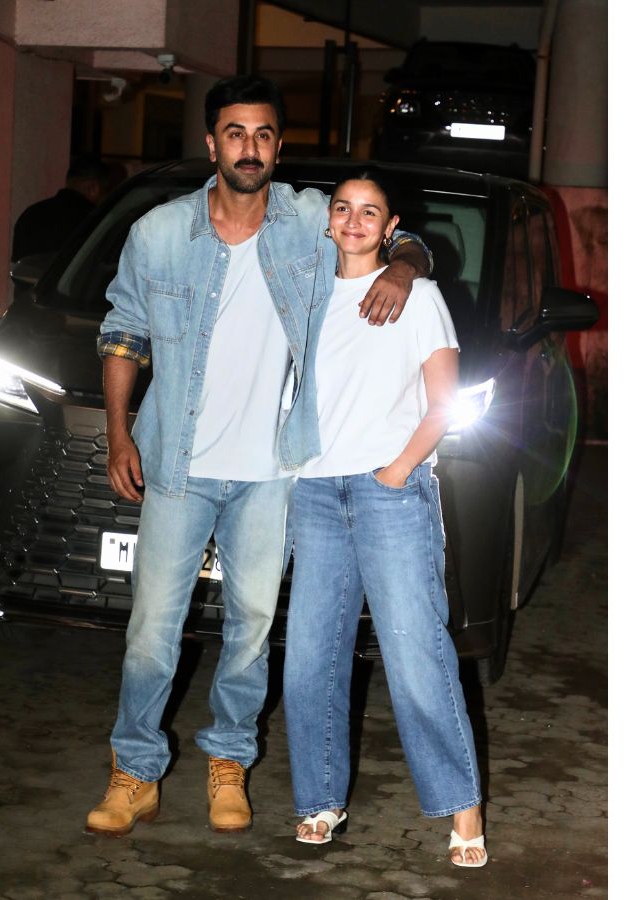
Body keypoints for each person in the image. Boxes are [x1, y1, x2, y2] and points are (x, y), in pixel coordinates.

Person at [85, 76, 433, 837]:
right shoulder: (159, 233)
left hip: (273, 472)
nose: (250, 148)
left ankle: (228, 764)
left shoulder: (309, 220)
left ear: (279, 146)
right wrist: (118, 434)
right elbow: (123, 332)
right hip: (178, 466)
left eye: (264, 134)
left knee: (249, 629)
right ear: (212, 143)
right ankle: (134, 772)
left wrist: (404, 267)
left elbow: (398, 233)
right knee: (151, 631)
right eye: (236, 133)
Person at [282, 170, 488, 868]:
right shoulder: (308, 295)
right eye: (343, 208)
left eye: (370, 211)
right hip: (315, 491)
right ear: (328, 221)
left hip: (389, 492)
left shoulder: (418, 295)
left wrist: (397, 470)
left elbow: (445, 403)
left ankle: (462, 805)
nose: (353, 220)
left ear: (391, 225)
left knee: (414, 652)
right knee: (311, 655)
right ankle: (319, 798)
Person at [11, 155, 118, 261]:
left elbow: (17, 265)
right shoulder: (95, 222)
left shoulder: (30, 214)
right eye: (108, 193)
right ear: (93, 188)